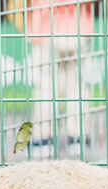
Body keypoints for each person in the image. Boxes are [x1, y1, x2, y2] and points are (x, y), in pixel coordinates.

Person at [27, 0, 95, 157]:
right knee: (76, 84)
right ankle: (78, 137)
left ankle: (43, 138)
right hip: (77, 25)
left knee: (46, 84)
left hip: (45, 26)